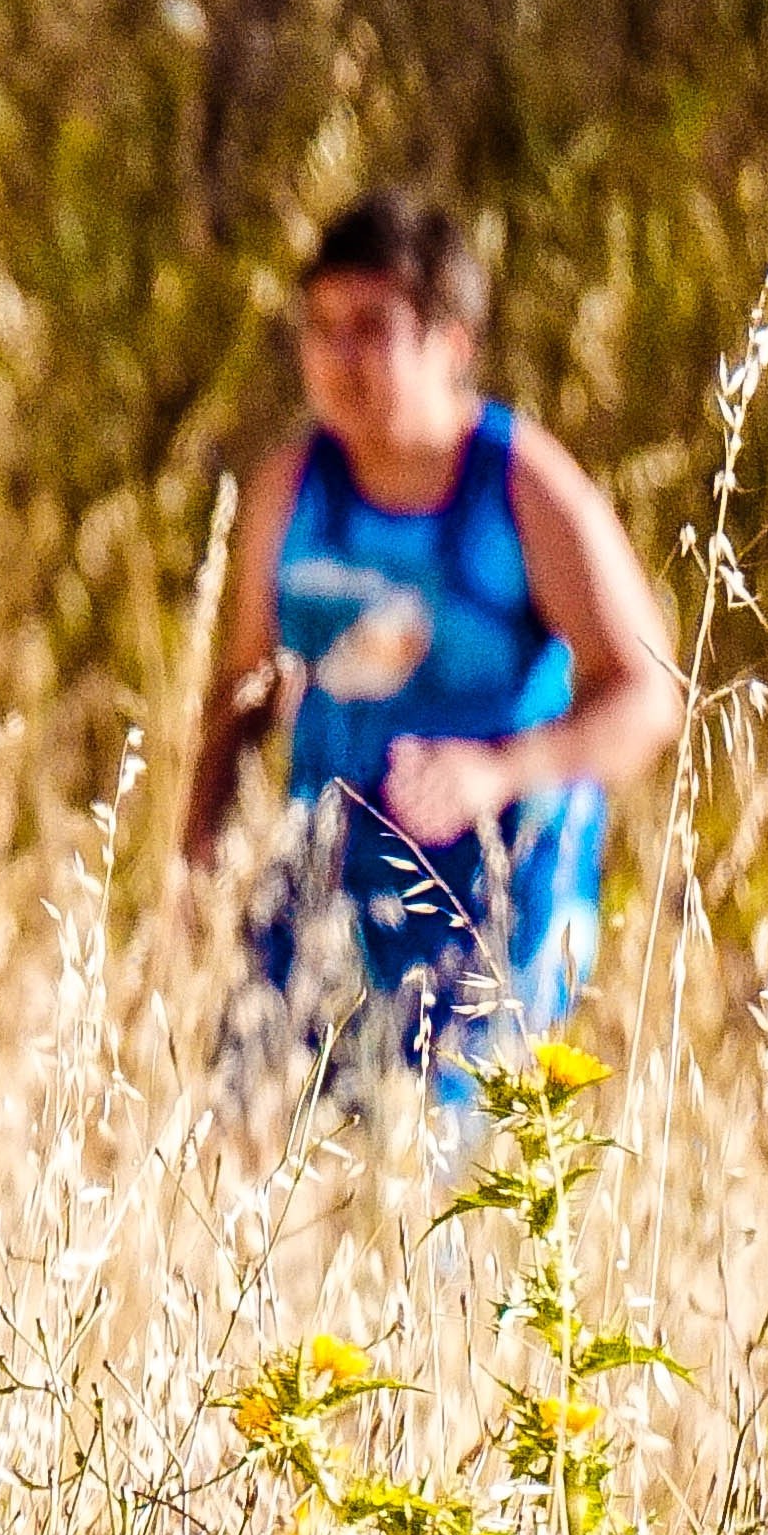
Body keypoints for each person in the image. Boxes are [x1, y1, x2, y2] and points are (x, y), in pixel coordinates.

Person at [182, 188, 684, 1105]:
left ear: (451, 343)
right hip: (329, 876)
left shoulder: (524, 488)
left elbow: (650, 699)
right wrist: (198, 853)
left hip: (499, 898)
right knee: (248, 1131)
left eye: (371, 326)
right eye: (320, 327)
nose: (339, 359)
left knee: (430, 1185)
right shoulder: (291, 489)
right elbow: (243, 688)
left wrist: (496, 772)